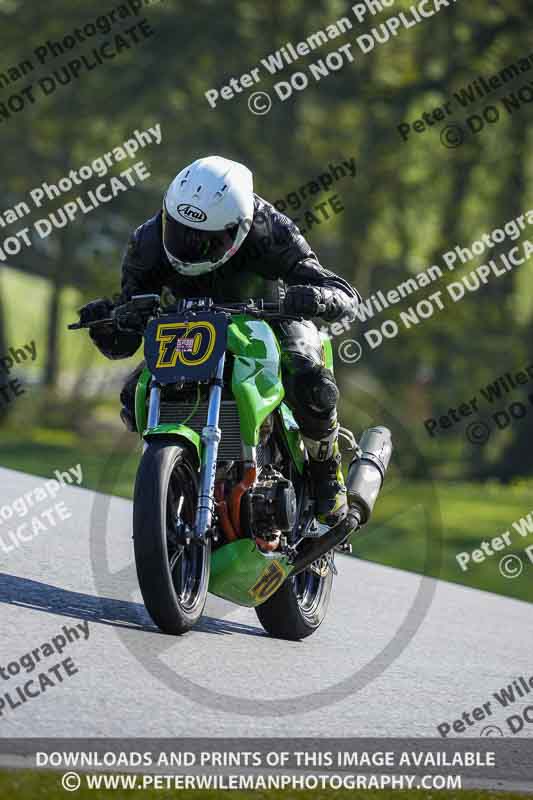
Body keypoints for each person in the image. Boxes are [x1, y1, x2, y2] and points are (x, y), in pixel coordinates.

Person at [81, 156, 360, 525]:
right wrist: (114, 323)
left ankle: (327, 475)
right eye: (180, 232)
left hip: (269, 317)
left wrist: (318, 298)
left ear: (241, 227)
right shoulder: (147, 241)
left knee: (313, 384)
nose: (190, 246)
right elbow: (126, 338)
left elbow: (343, 293)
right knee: (135, 395)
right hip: (189, 328)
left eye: (207, 239)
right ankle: (185, 475)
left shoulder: (270, 228)